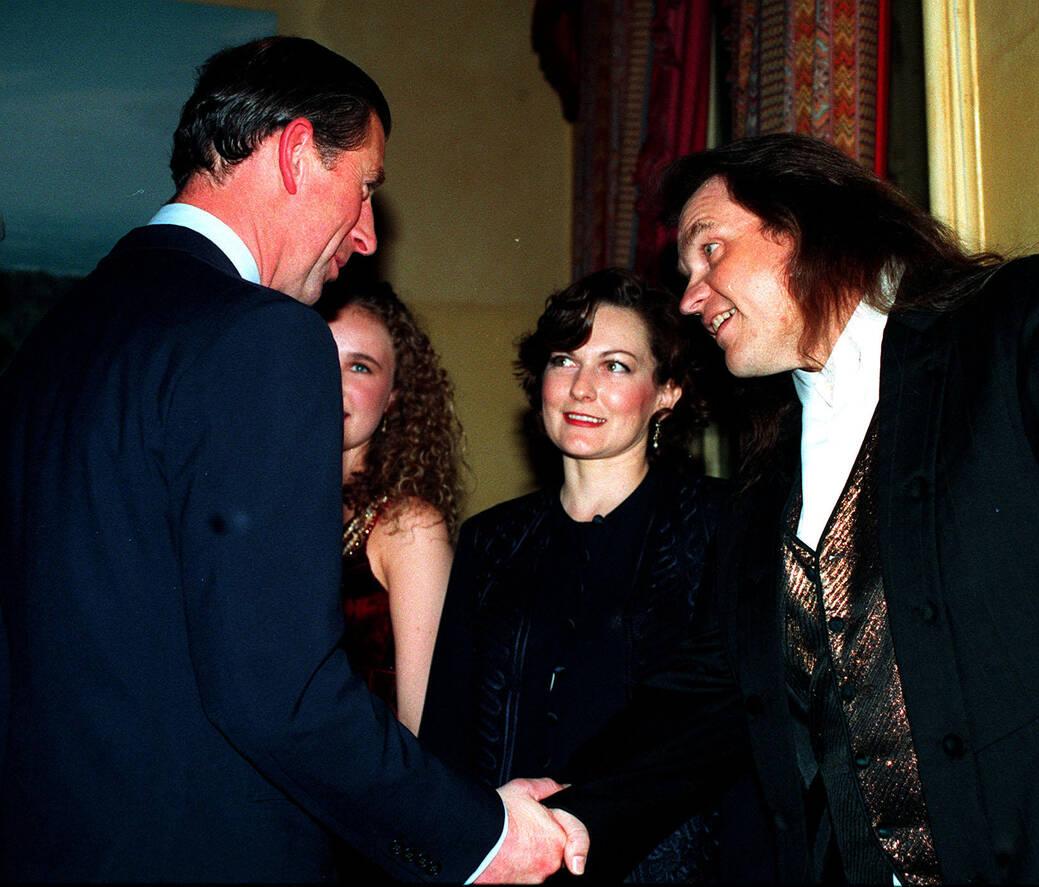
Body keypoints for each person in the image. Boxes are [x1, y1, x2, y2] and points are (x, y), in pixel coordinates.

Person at [541, 133, 1039, 885]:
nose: (690, 296)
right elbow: (710, 698)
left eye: (709, 251)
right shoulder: (761, 487)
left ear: (807, 221)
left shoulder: (1027, 323)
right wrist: (569, 812)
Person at [0, 36, 584, 882]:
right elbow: (278, 691)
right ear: (298, 151)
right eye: (367, 188)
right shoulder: (262, 336)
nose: (369, 234)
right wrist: (484, 833)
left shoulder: (52, 341)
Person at [421, 268, 743, 881]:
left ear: (667, 391)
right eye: (565, 361)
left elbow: (719, 734)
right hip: (509, 867)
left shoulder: (724, 527)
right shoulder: (490, 542)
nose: (581, 389)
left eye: (616, 366)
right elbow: (447, 738)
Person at [320, 283, 463, 735]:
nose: (332, 382)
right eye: (317, 355)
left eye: (359, 367)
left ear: (394, 396)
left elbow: (426, 730)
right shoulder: (265, 511)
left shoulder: (409, 527)